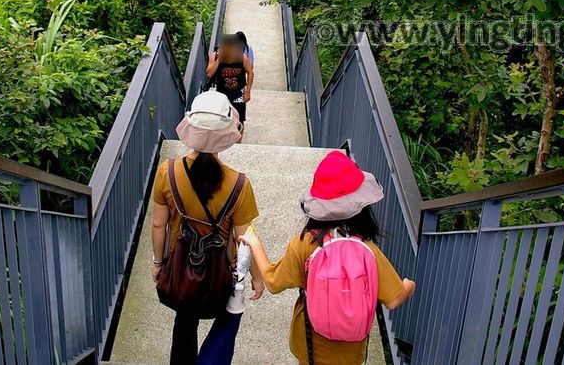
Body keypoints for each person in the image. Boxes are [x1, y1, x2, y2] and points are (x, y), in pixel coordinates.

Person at [240, 151, 416, 365]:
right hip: (351, 351)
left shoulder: (304, 243)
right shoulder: (366, 249)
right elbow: (394, 298)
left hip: (309, 343)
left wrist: (255, 243)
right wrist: (409, 285)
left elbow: (273, 283)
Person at [151, 90, 264, 365]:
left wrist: (159, 262)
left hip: (181, 272)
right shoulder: (239, 184)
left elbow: (158, 224)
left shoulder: (169, 172)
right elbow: (245, 237)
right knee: (226, 322)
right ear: (226, 133)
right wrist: (258, 276)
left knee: (184, 325)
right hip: (219, 279)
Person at [205, 34, 254, 135]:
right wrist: (219, 59)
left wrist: (248, 91)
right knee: (221, 118)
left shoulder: (241, 57)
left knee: (240, 120)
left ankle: (238, 144)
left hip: (238, 93)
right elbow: (209, 74)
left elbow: (250, 72)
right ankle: (223, 141)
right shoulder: (215, 56)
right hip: (222, 94)